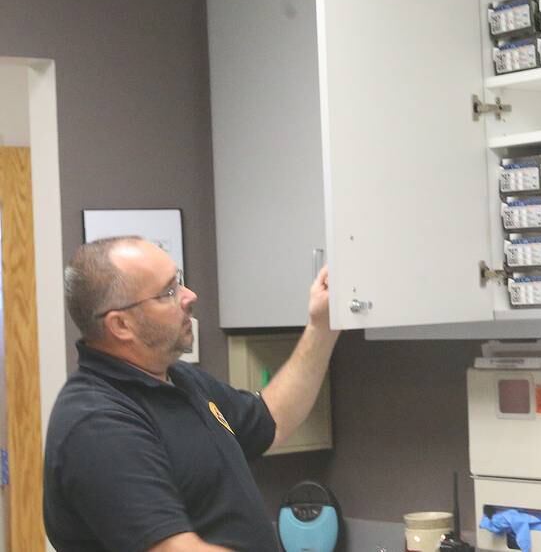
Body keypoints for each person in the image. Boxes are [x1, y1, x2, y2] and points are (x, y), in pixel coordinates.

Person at [43, 236, 340, 552]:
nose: (189, 296)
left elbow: (271, 420)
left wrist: (322, 326)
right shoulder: (97, 423)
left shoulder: (178, 379)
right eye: (169, 291)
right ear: (121, 325)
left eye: (180, 281)